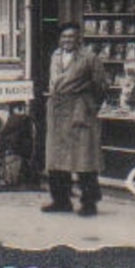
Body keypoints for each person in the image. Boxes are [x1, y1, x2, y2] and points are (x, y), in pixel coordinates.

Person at [43, 23, 108, 216]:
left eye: (71, 37)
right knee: (56, 159)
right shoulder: (55, 56)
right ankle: (61, 200)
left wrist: (88, 106)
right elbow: (53, 82)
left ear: (79, 39)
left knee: (84, 159)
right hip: (57, 110)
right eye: (64, 37)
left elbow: (100, 85)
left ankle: (89, 203)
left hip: (79, 110)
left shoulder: (89, 58)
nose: (67, 41)